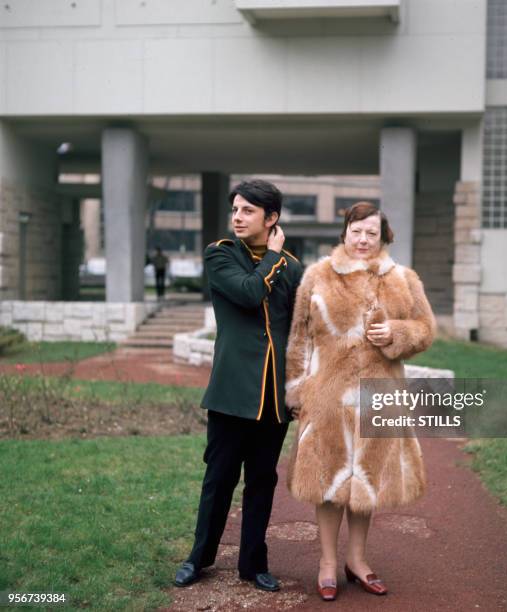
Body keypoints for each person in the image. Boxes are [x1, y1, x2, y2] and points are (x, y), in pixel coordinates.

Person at [284, 201, 436, 601]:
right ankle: (328, 564)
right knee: (329, 481)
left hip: (380, 395)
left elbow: (426, 329)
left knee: (368, 481)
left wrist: (398, 333)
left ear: (383, 236)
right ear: (344, 233)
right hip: (328, 397)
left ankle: (358, 560)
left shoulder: (403, 279)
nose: (364, 239)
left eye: (372, 232)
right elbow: (299, 339)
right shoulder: (317, 276)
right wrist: (297, 390)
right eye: (357, 231)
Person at [174, 179, 303, 592]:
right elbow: (249, 294)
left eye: (247, 211)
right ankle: (199, 558)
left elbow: (302, 327)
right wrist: (275, 258)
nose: (237, 217)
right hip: (231, 395)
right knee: (219, 479)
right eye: (235, 209)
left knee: (262, 481)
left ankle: (252, 563)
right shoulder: (220, 254)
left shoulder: (293, 268)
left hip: (273, 399)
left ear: (272, 218)